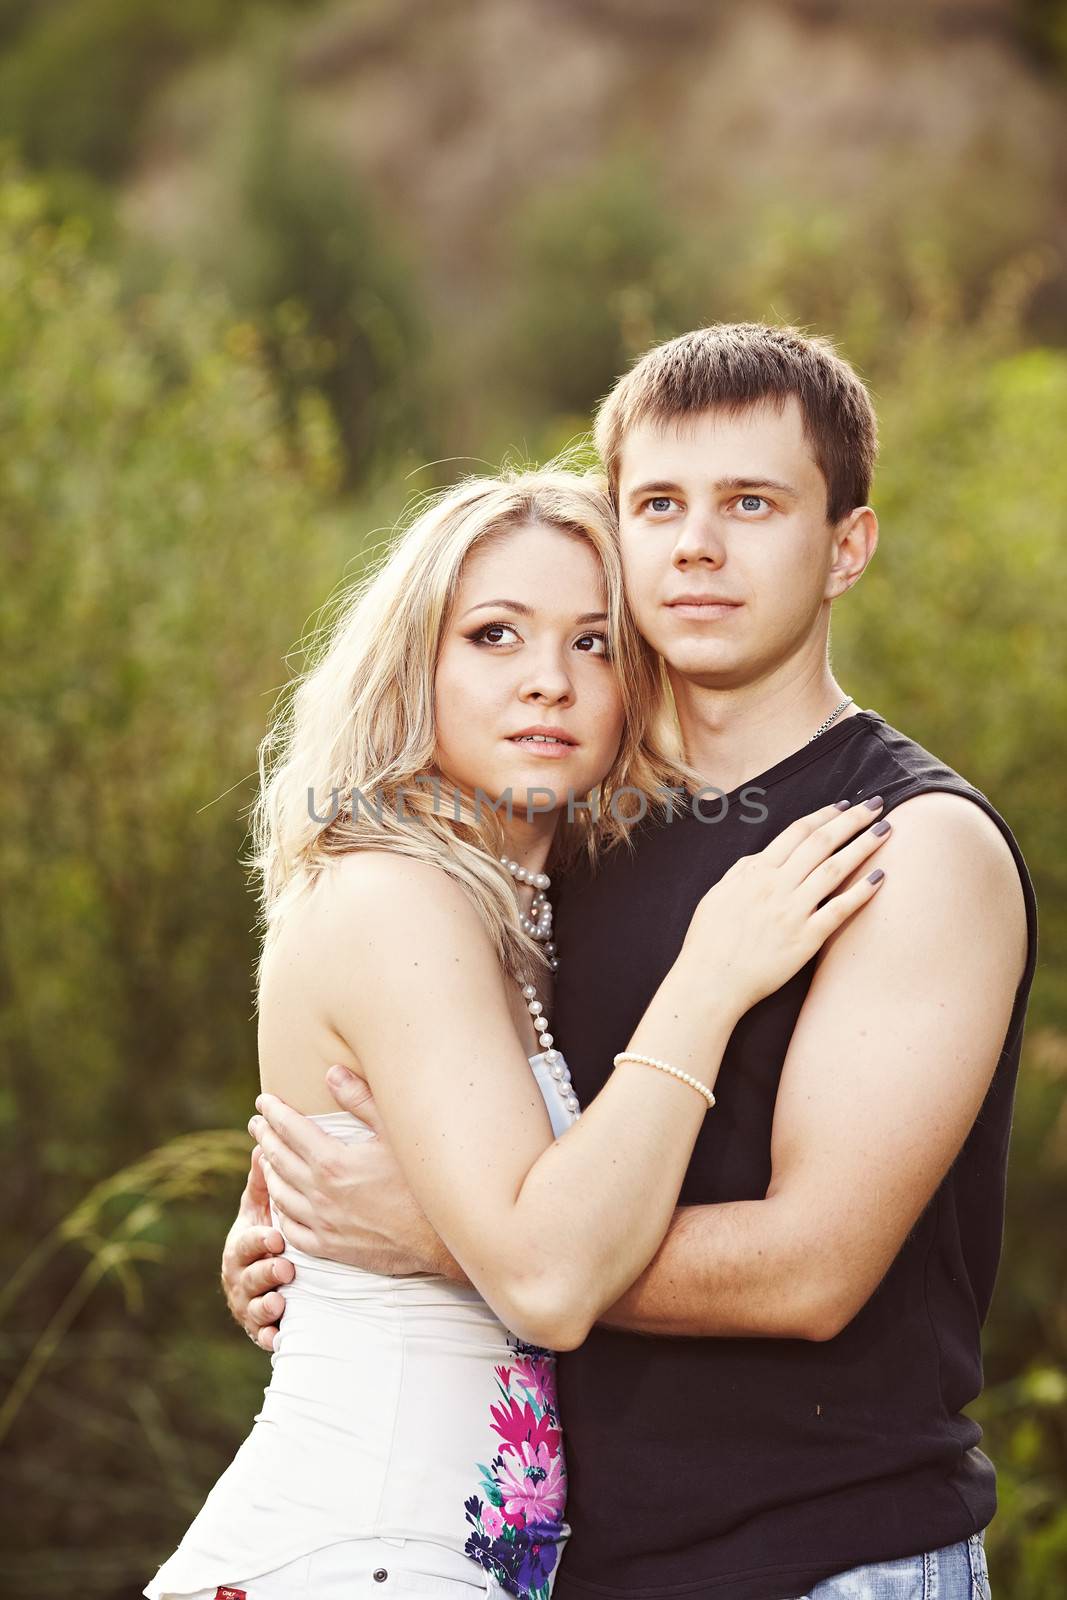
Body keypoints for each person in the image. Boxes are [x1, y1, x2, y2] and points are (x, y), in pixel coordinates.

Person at [231, 325, 1038, 1600]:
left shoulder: (904, 848)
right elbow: (431, 1088)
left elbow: (811, 1269)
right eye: (657, 502)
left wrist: (454, 1241)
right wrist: (298, 1226)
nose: (696, 545)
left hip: (828, 1557)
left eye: (751, 504)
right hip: (564, 1564)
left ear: (846, 549)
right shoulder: (559, 828)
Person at [145, 464, 893, 1600]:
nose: (548, 680)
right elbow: (543, 1278)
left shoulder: (532, 909)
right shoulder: (394, 895)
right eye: (494, 634)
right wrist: (713, 973)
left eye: (593, 643)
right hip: (356, 1554)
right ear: (416, 666)